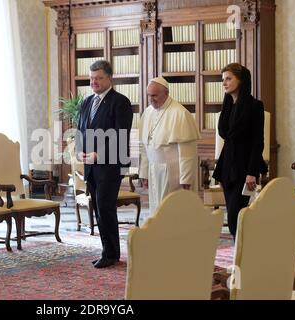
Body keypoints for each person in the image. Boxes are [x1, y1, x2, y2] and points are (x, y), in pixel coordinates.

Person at [75, 60, 133, 268]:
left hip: (111, 164)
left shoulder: (120, 102)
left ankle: (111, 254)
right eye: (91, 78)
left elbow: (120, 135)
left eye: (99, 78)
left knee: (105, 207)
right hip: (90, 165)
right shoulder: (87, 102)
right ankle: (107, 250)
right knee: (99, 209)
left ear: (109, 78)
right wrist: (79, 151)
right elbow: (81, 130)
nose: (94, 82)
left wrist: (99, 155)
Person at [212, 63, 268, 238]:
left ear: (241, 80)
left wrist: (252, 172)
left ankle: (244, 257)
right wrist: (220, 171)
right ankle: (240, 253)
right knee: (232, 219)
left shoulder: (255, 106)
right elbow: (226, 140)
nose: (224, 83)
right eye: (223, 79)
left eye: (229, 79)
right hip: (227, 167)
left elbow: (258, 142)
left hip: (245, 169)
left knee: (237, 217)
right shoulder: (227, 106)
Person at [139, 77, 200, 216]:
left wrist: (186, 178)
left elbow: (187, 152)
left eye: (154, 95)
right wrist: (143, 173)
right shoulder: (147, 112)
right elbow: (145, 147)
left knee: (173, 211)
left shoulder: (180, 113)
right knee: (156, 209)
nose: (151, 99)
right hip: (154, 170)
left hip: (173, 171)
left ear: (166, 93)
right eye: (149, 95)